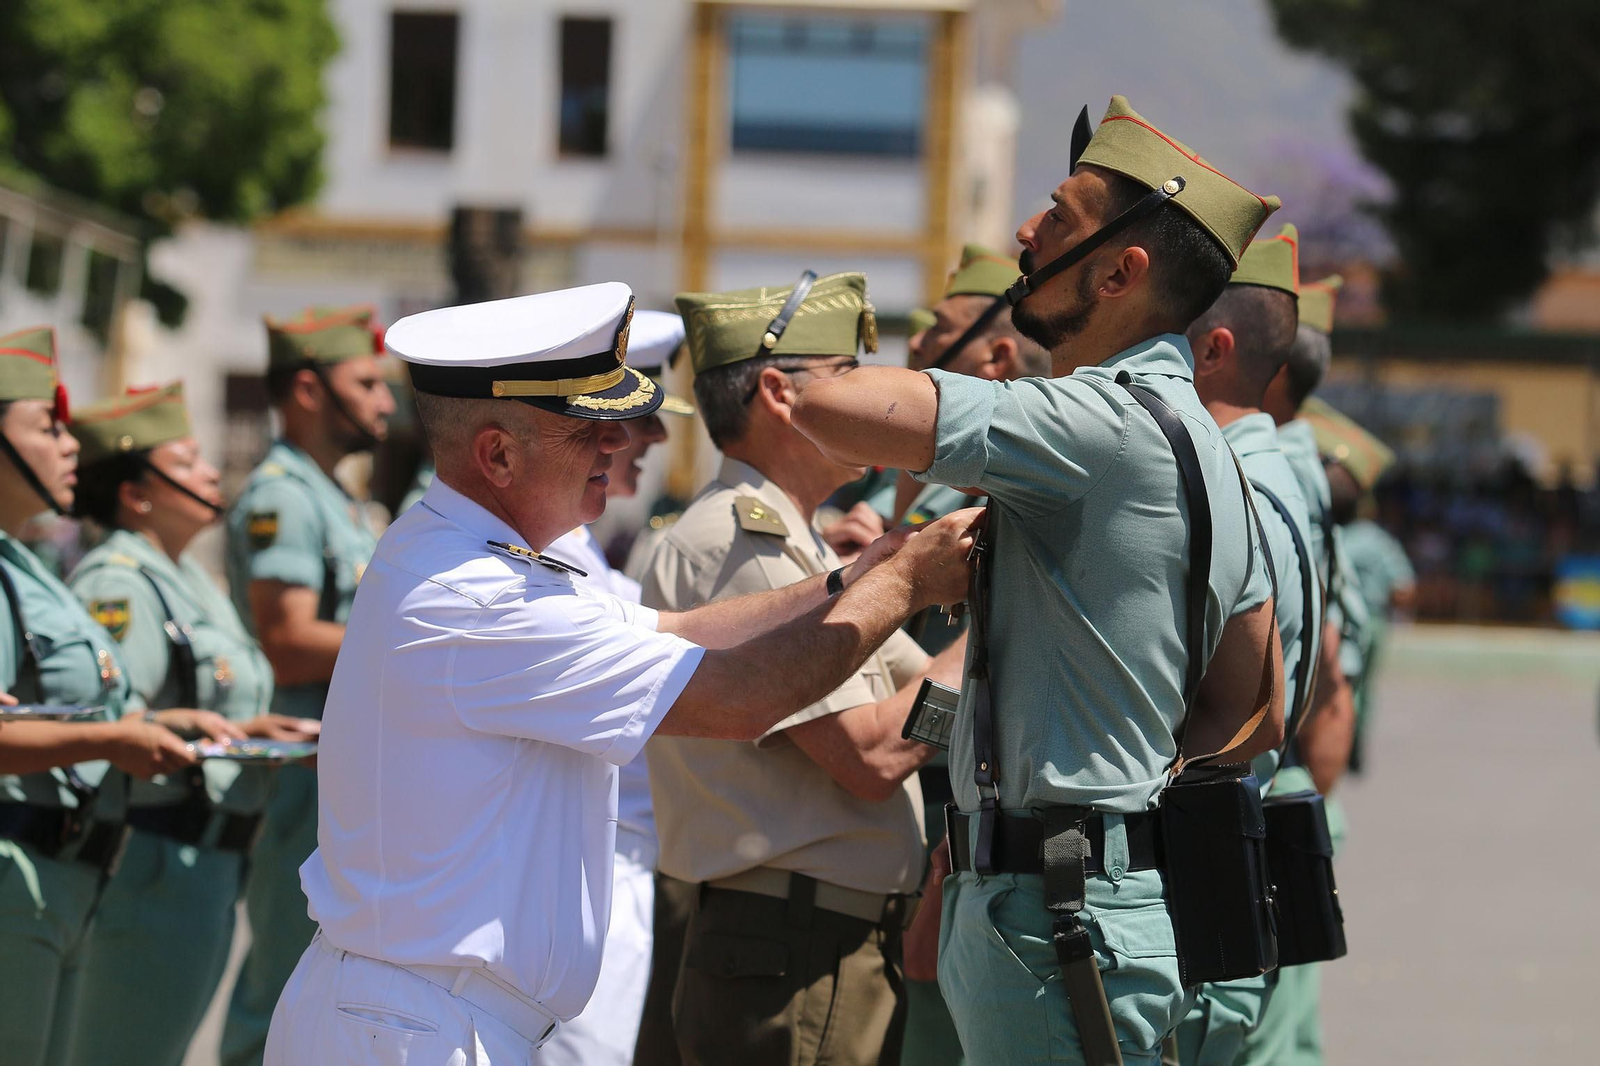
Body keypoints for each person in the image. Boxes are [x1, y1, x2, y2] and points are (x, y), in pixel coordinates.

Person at [261, 282, 979, 1065]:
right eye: (590, 430)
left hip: (433, 1012)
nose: (624, 442)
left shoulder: (485, 561)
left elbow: (675, 629)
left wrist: (867, 571)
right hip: (419, 1025)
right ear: (497, 453)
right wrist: (905, 585)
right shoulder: (480, 595)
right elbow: (739, 698)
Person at [791, 95, 1287, 1066]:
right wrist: (1119, 799)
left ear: (1117, 270)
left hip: (1051, 913)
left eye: (1056, 217)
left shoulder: (1088, 422)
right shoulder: (1210, 452)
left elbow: (822, 402)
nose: (1025, 231)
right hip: (1103, 902)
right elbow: (1252, 707)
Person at [631, 271, 968, 1066]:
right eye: (847, 375)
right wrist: (981, 638)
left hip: (810, 936)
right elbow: (875, 754)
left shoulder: (801, 546)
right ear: (780, 394)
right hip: (790, 945)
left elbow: (925, 692)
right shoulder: (740, 544)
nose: (868, 394)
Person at [62, 382, 319, 1066]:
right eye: (187, 462)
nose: (211, 472)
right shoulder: (118, 582)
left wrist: (264, 734)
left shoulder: (185, 578)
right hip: (151, 865)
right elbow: (107, 724)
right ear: (136, 494)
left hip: (202, 864)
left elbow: (197, 712)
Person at [0, 326, 200, 1066]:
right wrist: (112, 742)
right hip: (19, 871)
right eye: (47, 427)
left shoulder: (23, 560)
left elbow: (55, 705)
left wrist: (156, 722)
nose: (70, 444)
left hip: (62, 881)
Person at [222, 304, 395, 1066]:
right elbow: (287, 641)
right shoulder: (285, 495)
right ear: (306, 389)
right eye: (365, 383)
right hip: (298, 775)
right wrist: (415, 646)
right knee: (281, 987)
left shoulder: (337, 495)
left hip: (338, 771)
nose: (385, 401)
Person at [532, 308, 694, 1066]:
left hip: (607, 865)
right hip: (584, 871)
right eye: (636, 418)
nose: (655, 439)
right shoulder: (545, 556)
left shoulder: (582, 553)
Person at [1176, 225, 1322, 1065]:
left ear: (1211, 351)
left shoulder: (1237, 494)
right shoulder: (1267, 481)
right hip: (1215, 876)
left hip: (1194, 889)